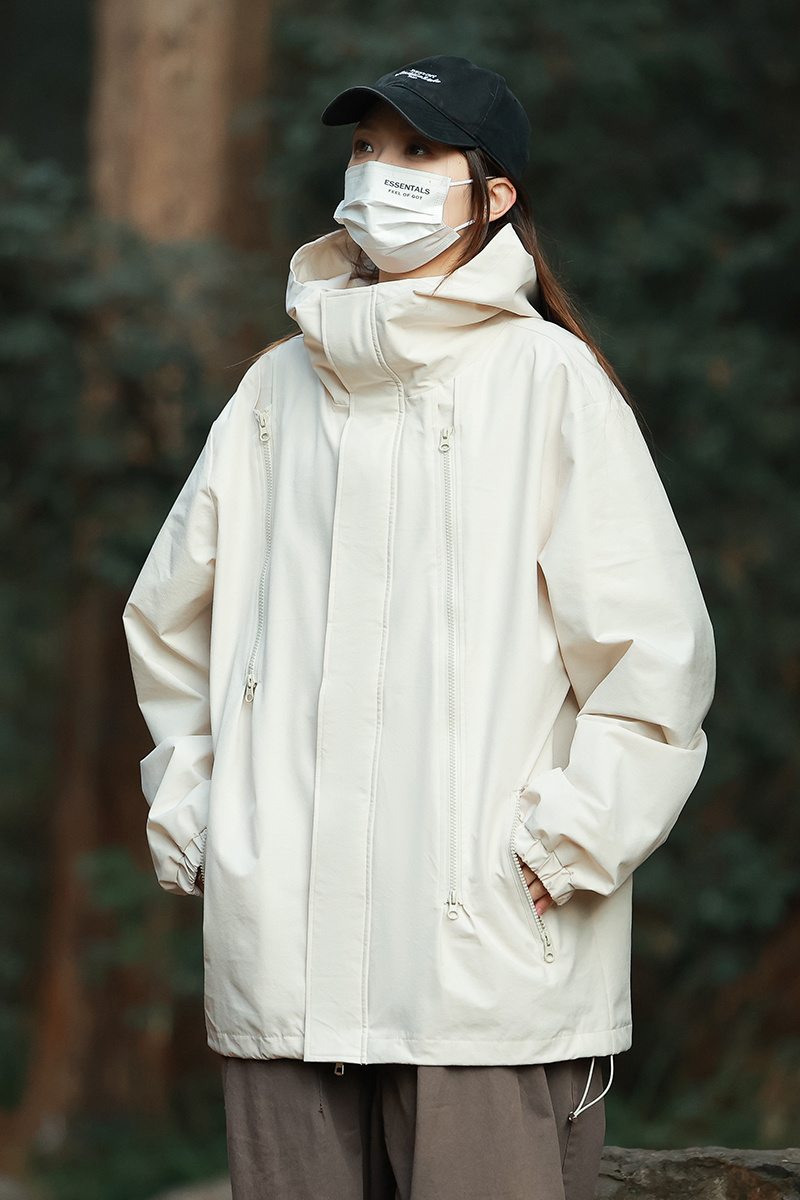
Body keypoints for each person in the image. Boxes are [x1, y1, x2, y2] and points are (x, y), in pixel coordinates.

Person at [123, 55, 716, 1200]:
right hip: (284, 960)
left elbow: (652, 656)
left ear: (494, 195)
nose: (376, 174)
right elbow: (168, 619)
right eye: (363, 149)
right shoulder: (272, 394)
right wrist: (199, 806)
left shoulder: (547, 383)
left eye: (414, 152)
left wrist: (567, 840)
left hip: (480, 964)